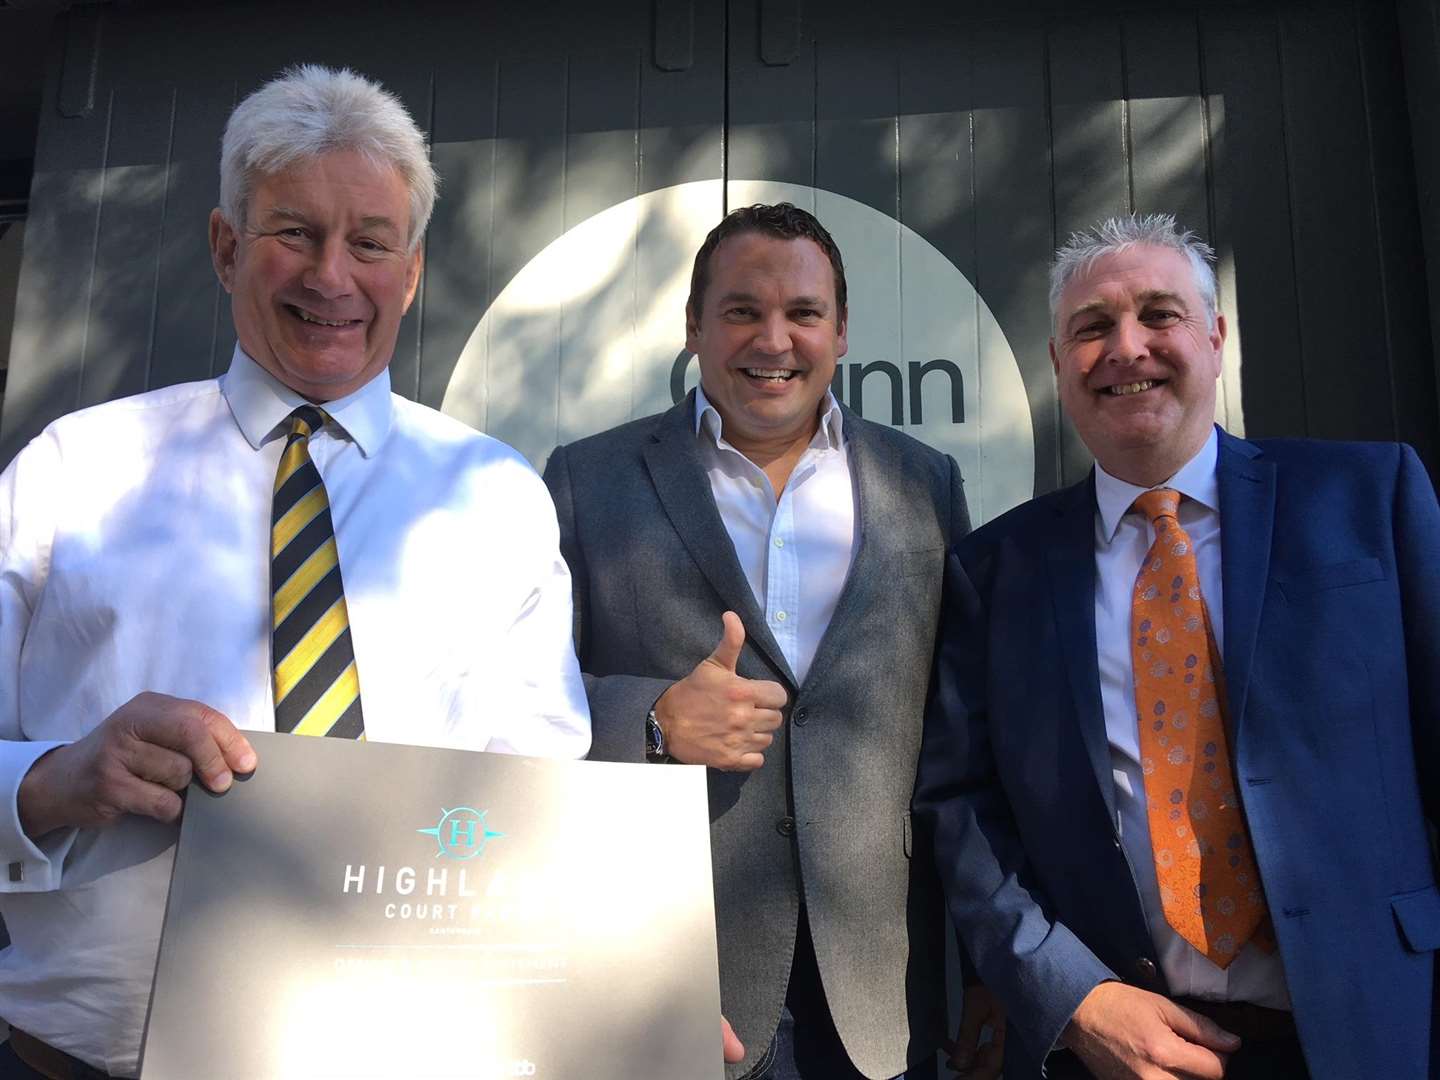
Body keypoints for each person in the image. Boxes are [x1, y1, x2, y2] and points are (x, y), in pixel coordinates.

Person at [0, 65, 591, 1079]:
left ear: (409, 272)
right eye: (293, 233)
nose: (331, 277)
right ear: (228, 248)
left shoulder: (493, 495)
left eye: (370, 242)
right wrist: (51, 782)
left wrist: (617, 990)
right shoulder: (69, 472)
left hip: (409, 1055)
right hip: (88, 1062)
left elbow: (530, 799)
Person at [915, 212, 1440, 1080]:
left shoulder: (1366, 498)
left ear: (1216, 337)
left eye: (1159, 315)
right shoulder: (994, 570)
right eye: (1091, 328)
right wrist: (1071, 995)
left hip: (1383, 1026)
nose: (1126, 347)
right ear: (1056, 364)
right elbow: (964, 814)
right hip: (1127, 1052)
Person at [544, 203, 992, 1080]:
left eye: (803, 313)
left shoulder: (923, 481)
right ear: (694, 327)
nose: (773, 339)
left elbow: (962, 737)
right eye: (743, 310)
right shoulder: (586, 480)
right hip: (668, 975)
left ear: (842, 331)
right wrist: (652, 721)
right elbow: (525, 699)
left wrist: (982, 974)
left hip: (886, 991)